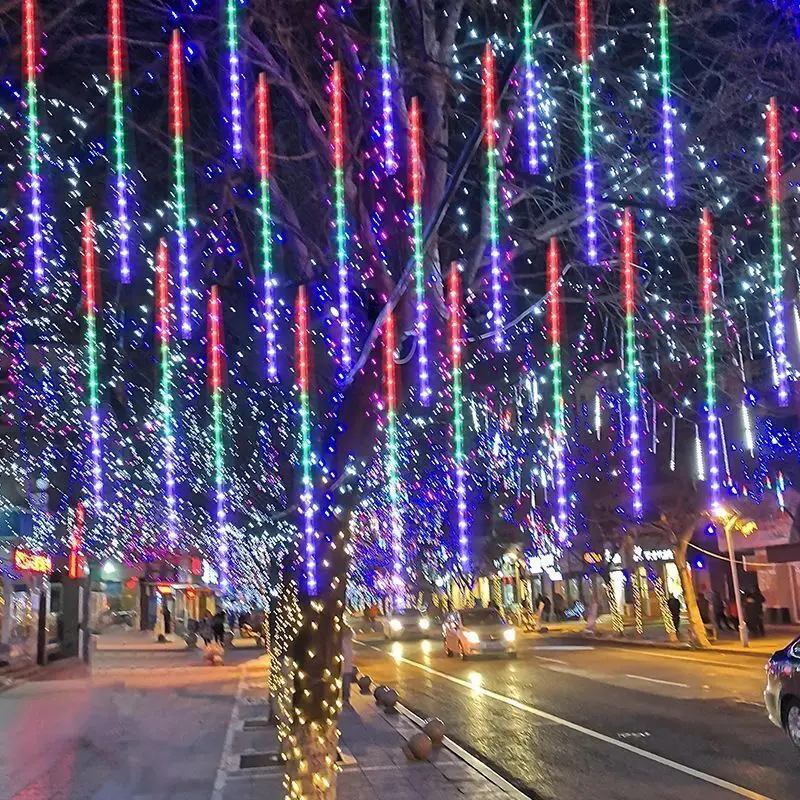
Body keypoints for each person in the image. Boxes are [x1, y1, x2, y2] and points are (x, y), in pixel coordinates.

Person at [340, 624, 354, 705]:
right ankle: (346, 698)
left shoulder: (342, 640)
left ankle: (345, 698)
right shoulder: (348, 640)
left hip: (345, 666)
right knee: (346, 683)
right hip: (347, 666)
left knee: (345, 683)